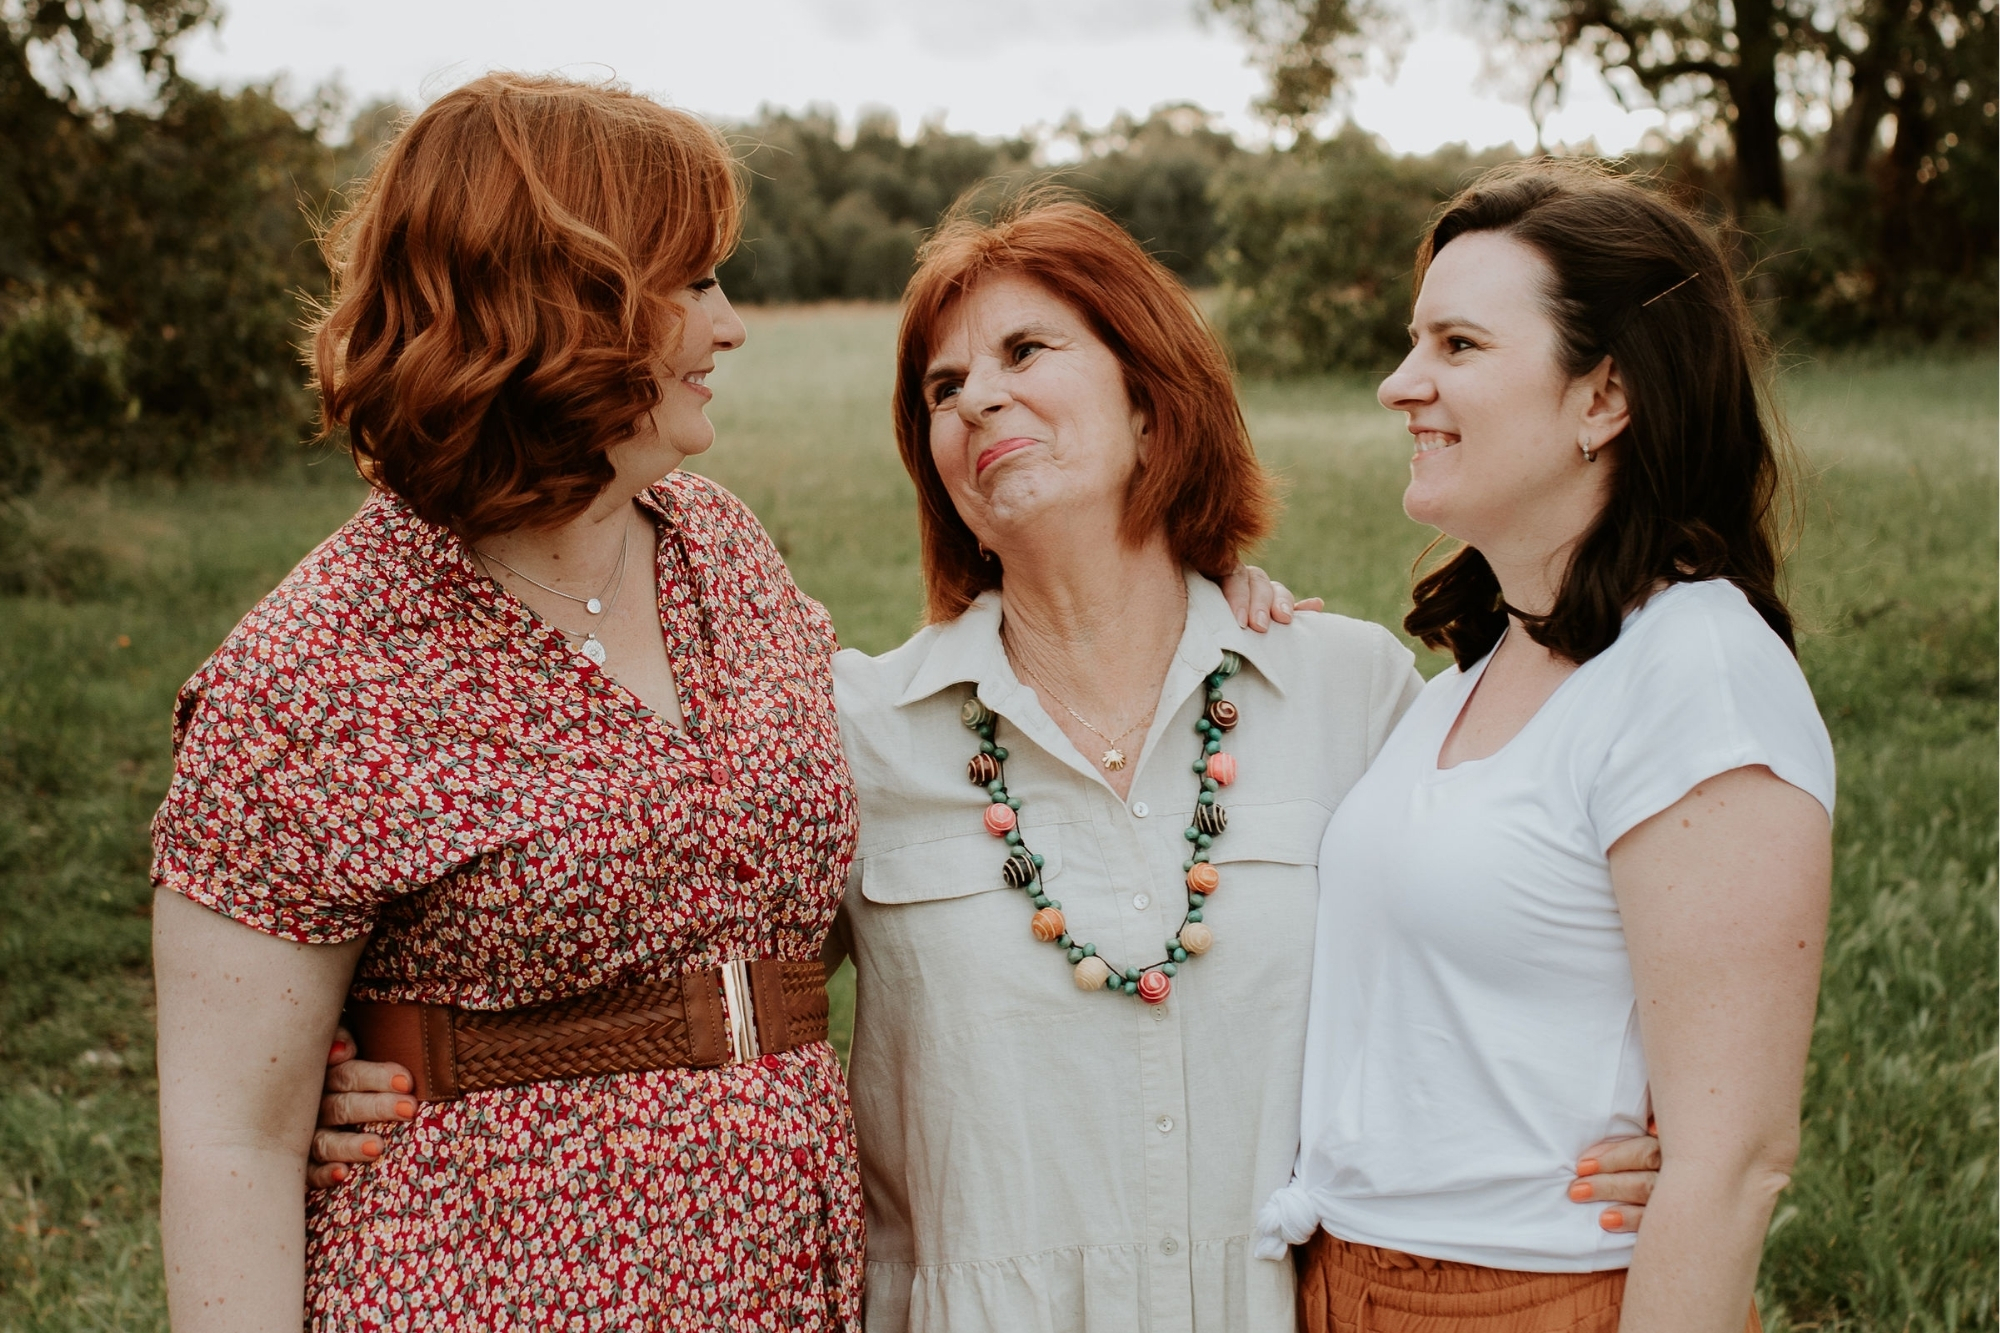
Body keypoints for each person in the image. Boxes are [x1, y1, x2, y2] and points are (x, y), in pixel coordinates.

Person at [302, 193, 1667, 1330]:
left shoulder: (1349, 687)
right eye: (944, 387)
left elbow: (1499, 933)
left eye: (1027, 351)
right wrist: (398, 1060)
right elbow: (675, 965)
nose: (979, 400)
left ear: (1151, 396)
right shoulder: (850, 728)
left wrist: (1641, 1120)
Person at [150, 74, 865, 1330]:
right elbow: (226, 1139)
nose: (733, 323)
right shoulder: (311, 673)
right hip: (485, 1288)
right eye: (693, 282)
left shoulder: (724, 552)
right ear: (561, 304)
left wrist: (1184, 590)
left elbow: (818, 864)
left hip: (786, 1282)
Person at [1255, 160, 1835, 1333]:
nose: (1396, 385)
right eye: (1412, 342)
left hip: (1531, 1294)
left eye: (1457, 346)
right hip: (1338, 1283)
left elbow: (1728, 1167)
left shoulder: (1695, 674)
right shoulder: (1471, 677)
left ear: (1603, 397)